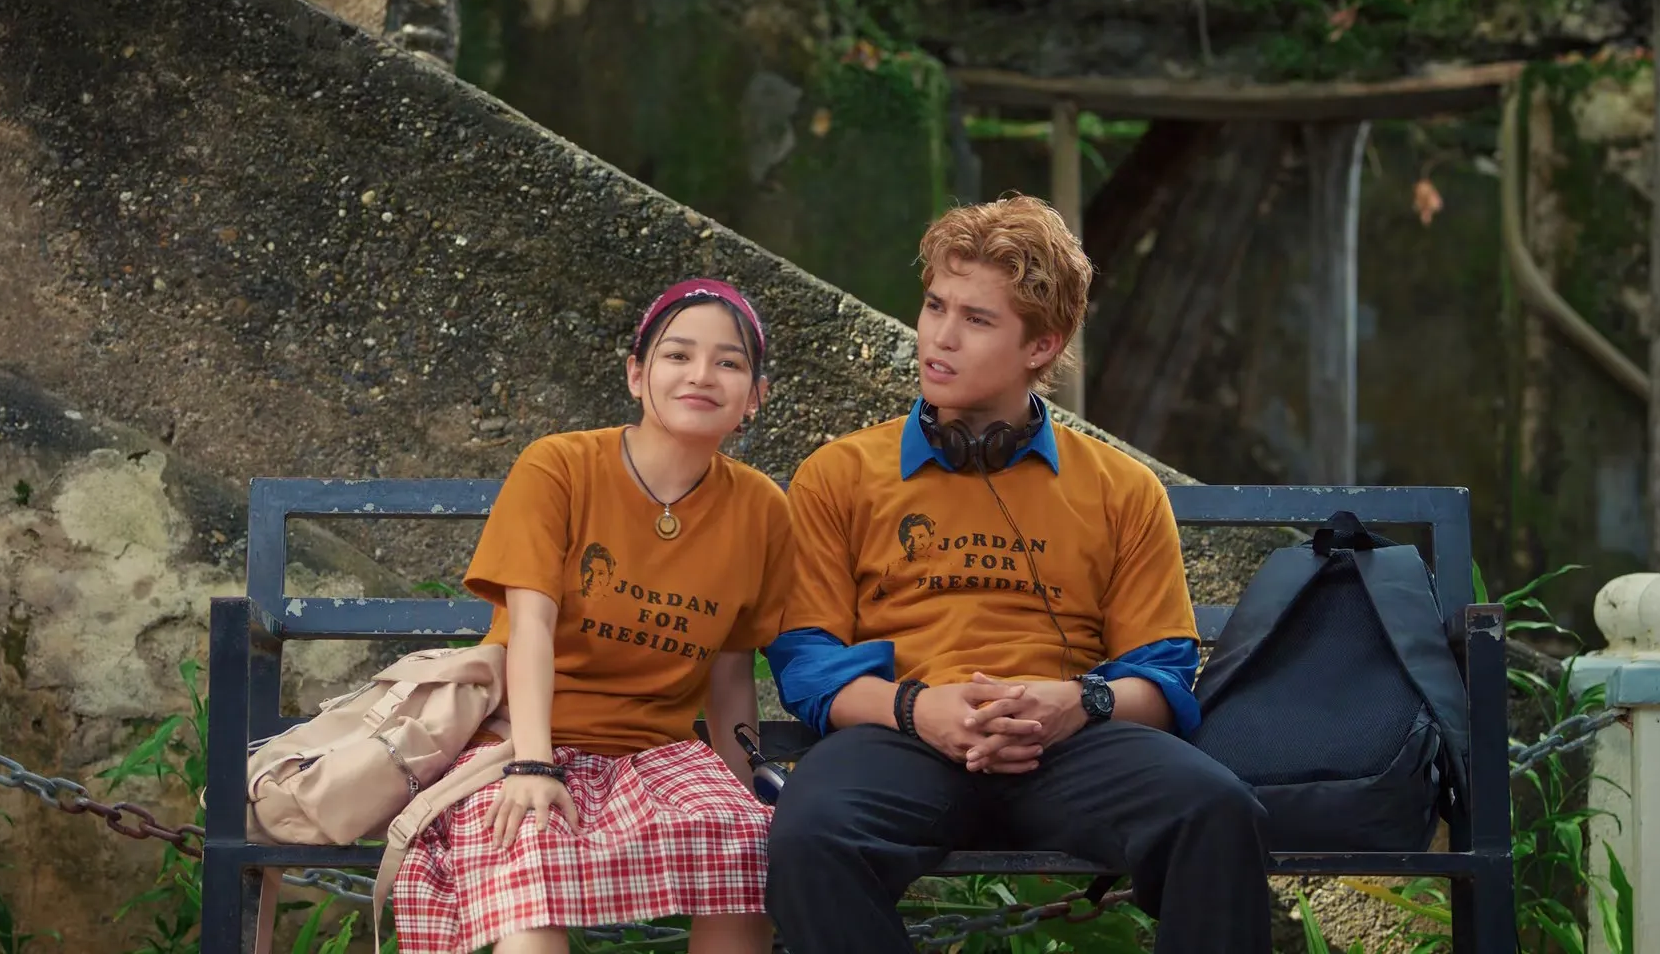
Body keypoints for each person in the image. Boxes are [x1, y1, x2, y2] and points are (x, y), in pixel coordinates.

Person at [762, 195, 1272, 953]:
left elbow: (1162, 677)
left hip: (1067, 740)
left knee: (1216, 812)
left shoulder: (1122, 489)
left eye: (977, 319)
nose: (939, 337)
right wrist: (918, 710)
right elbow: (808, 662)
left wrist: (1077, 702)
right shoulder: (841, 474)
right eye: (936, 306)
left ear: (1042, 345)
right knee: (810, 834)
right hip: (903, 733)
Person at [391, 279, 793, 954]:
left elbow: (730, 674)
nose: (701, 375)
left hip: (658, 753)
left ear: (755, 396)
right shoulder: (561, 467)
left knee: (750, 842)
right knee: (525, 835)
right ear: (637, 374)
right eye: (677, 355)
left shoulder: (761, 509)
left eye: (728, 362)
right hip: (521, 738)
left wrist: (742, 789)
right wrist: (533, 765)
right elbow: (531, 627)